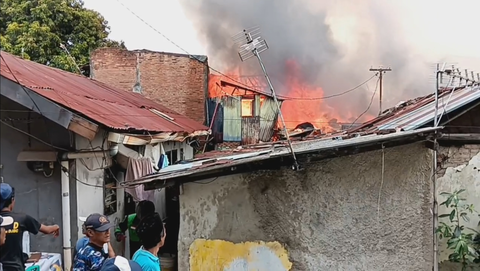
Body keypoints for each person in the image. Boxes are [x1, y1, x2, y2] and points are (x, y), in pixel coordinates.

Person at [0, 183, 60, 271]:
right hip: (16, 268)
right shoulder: (22, 219)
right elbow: (47, 230)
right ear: (12, 200)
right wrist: (56, 227)